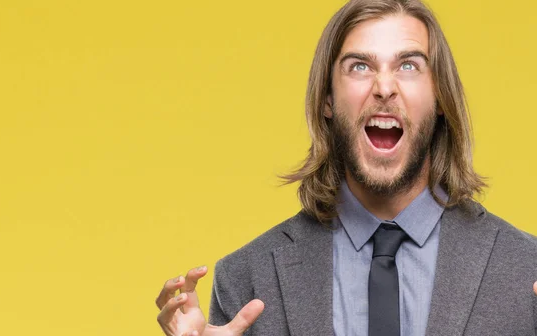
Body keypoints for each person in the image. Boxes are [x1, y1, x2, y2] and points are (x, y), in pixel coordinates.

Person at [155, 0, 537, 335]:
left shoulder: (526, 270)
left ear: (440, 99)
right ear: (327, 100)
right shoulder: (248, 277)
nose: (384, 86)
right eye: (359, 67)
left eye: (408, 65)